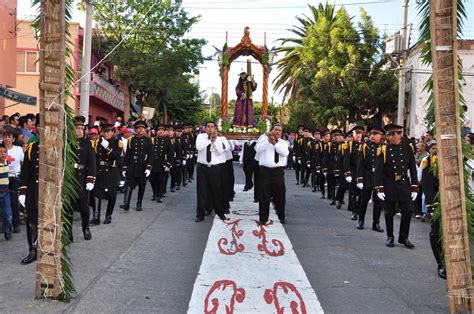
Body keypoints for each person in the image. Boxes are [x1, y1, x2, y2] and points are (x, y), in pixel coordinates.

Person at [375, 124, 418, 248]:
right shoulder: (383, 149)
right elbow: (379, 171)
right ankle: (390, 237)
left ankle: (404, 237)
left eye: (393, 134)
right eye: (388, 135)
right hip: (389, 184)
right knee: (389, 212)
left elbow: (413, 169)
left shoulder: (407, 148)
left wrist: (414, 186)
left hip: (404, 184)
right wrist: (379, 188)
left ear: (399, 134)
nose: (390, 137)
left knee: (407, 211)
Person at [64, 116, 96, 241]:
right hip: (69, 178)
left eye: (82, 129)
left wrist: (90, 179)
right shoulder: (67, 142)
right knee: (68, 208)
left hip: (81, 179)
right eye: (77, 128)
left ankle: (86, 228)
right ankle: (68, 232)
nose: (80, 131)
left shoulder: (87, 144)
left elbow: (92, 163)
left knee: (84, 207)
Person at [419, 141, 446, 279]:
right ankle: (440, 263)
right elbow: (427, 185)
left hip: (450, 201)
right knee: (435, 232)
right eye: (433, 148)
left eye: (438, 147)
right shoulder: (428, 161)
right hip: (435, 202)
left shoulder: (450, 159)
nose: (436, 150)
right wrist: (430, 206)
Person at [255, 124, 289, 225]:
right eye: (276, 129)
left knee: (280, 195)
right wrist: (268, 141)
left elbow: (284, 153)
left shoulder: (283, 143)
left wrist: (275, 144)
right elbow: (258, 149)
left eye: (280, 130)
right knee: (264, 195)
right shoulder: (263, 139)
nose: (277, 132)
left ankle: (281, 216)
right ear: (272, 130)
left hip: (278, 171)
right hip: (265, 171)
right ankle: (263, 218)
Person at [195, 121, 228, 222]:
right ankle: (200, 215)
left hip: (214, 168)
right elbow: (199, 147)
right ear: (205, 128)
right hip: (202, 167)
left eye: (212, 127)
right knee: (201, 191)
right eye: (208, 127)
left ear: (215, 128)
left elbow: (220, 152)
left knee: (216, 191)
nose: (210, 128)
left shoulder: (219, 139)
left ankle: (220, 212)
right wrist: (209, 140)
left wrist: (214, 142)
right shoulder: (200, 136)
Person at [355, 126, 384, 232]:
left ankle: (376, 223)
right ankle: (361, 220)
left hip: (378, 178)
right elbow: (360, 164)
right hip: (367, 176)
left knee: (378, 201)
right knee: (364, 199)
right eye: (372, 134)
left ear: (381, 136)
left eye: (376, 134)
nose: (372, 136)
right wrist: (359, 178)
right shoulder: (365, 146)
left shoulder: (384, 147)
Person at [91, 123, 122, 224]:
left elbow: (117, 158)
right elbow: (95, 158)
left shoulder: (118, 142)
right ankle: (96, 217)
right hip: (100, 171)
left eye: (109, 131)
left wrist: (107, 147)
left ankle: (108, 216)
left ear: (113, 132)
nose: (107, 133)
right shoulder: (98, 142)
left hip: (112, 171)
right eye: (105, 131)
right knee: (96, 193)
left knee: (112, 195)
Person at [121, 120, 153, 211]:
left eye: (142, 128)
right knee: (129, 184)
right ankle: (126, 203)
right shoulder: (131, 139)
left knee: (142, 185)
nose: (140, 130)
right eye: (138, 128)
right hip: (132, 165)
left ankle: (139, 203)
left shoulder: (148, 140)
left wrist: (149, 167)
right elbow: (127, 154)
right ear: (135, 129)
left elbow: (151, 155)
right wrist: (124, 167)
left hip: (143, 165)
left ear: (145, 130)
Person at [19, 137, 39, 264]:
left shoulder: (57, 145)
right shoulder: (32, 147)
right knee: (31, 220)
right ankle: (33, 250)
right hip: (33, 188)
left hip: (50, 188)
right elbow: (25, 171)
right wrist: (23, 192)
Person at [4, 130, 23, 233]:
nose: (7, 138)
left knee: (14, 201)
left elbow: (23, 162)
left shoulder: (18, 149)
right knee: (4, 201)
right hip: (3, 177)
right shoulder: (2, 149)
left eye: (9, 136)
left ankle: (16, 223)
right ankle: (7, 224)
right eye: (5, 137)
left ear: (13, 139)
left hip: (15, 177)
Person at [343, 125, 364, 220]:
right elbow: (346, 160)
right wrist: (348, 173)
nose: (358, 135)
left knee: (362, 194)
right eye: (356, 133)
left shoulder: (365, 145)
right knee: (353, 193)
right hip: (353, 171)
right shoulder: (350, 145)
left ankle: (359, 209)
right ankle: (354, 212)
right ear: (353, 134)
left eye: (360, 133)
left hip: (362, 173)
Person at [150, 124, 172, 203]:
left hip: (163, 162)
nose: (160, 131)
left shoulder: (168, 140)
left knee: (161, 180)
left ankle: (159, 195)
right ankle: (154, 193)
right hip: (153, 162)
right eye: (159, 130)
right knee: (152, 179)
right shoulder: (152, 139)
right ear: (156, 132)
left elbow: (171, 153)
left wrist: (168, 164)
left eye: (162, 130)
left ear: (164, 131)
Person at [0, 144, 12, 241]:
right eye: (0, 152)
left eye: (4, 152)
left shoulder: (7, 163)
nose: (3, 154)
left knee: (8, 215)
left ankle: (5, 228)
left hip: (6, 192)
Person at [170, 125, 185, 192]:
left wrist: (184, 157)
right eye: (177, 132)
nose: (179, 133)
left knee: (179, 172)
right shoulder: (172, 139)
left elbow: (185, 148)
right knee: (173, 172)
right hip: (173, 158)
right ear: (175, 132)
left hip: (180, 157)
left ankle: (178, 184)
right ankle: (172, 186)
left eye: (180, 132)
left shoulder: (183, 139)